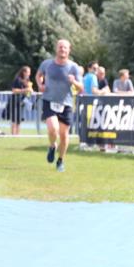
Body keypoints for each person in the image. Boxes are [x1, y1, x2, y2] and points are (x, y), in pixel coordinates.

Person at [36, 39, 83, 172]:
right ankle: (52, 146)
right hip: (49, 100)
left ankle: (60, 160)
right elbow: (39, 75)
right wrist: (40, 84)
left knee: (64, 135)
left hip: (66, 103)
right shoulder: (47, 64)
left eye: (65, 48)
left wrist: (74, 82)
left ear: (69, 50)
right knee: (53, 129)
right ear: (56, 49)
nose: (62, 49)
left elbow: (81, 88)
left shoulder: (73, 67)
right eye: (60, 47)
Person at [9, 65, 34, 136]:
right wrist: (25, 90)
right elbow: (14, 90)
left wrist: (30, 91)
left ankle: (17, 135)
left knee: (19, 120)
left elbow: (28, 94)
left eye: (30, 72)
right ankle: (13, 134)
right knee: (14, 119)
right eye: (28, 72)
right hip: (15, 100)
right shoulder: (17, 79)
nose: (29, 74)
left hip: (22, 101)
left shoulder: (28, 81)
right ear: (23, 72)